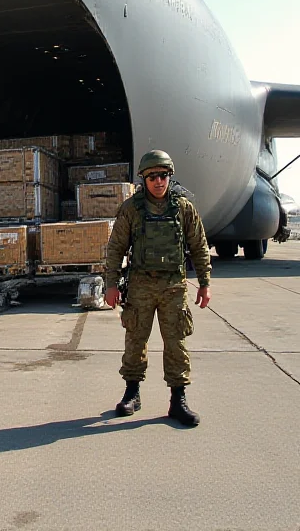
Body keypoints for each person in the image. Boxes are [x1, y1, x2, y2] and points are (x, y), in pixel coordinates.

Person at [104, 150, 211, 426]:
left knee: (176, 342)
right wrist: (111, 284)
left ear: (169, 177)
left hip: (173, 286)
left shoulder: (183, 208)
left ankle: (178, 400)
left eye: (163, 175)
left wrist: (204, 283)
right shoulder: (131, 209)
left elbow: (199, 246)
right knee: (135, 341)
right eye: (153, 176)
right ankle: (132, 392)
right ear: (144, 178)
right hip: (140, 284)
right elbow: (115, 249)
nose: (159, 181)